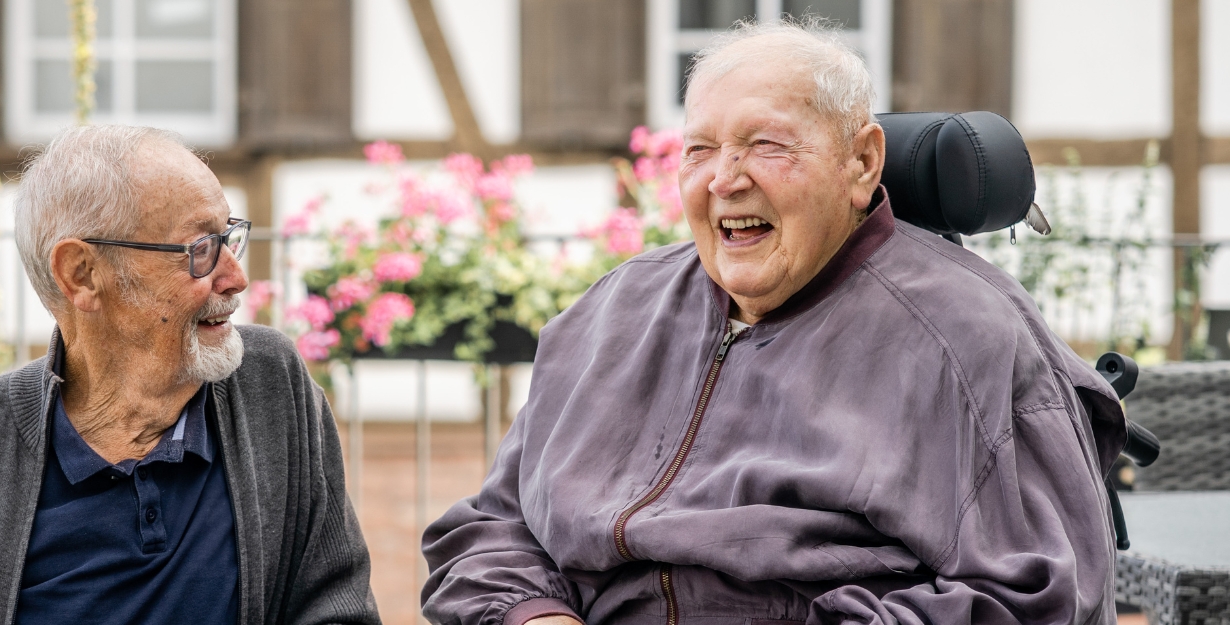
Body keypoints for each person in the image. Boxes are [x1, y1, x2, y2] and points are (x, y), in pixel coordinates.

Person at [422, 20, 1126, 625]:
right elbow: (493, 529)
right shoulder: (610, 314)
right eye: (700, 149)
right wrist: (536, 615)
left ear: (862, 162)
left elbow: (1038, 599)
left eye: (766, 144)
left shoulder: (971, 337)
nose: (724, 179)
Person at [0, 125, 380, 625]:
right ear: (81, 274)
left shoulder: (271, 386)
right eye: (201, 248)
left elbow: (337, 606)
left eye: (229, 238)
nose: (235, 276)